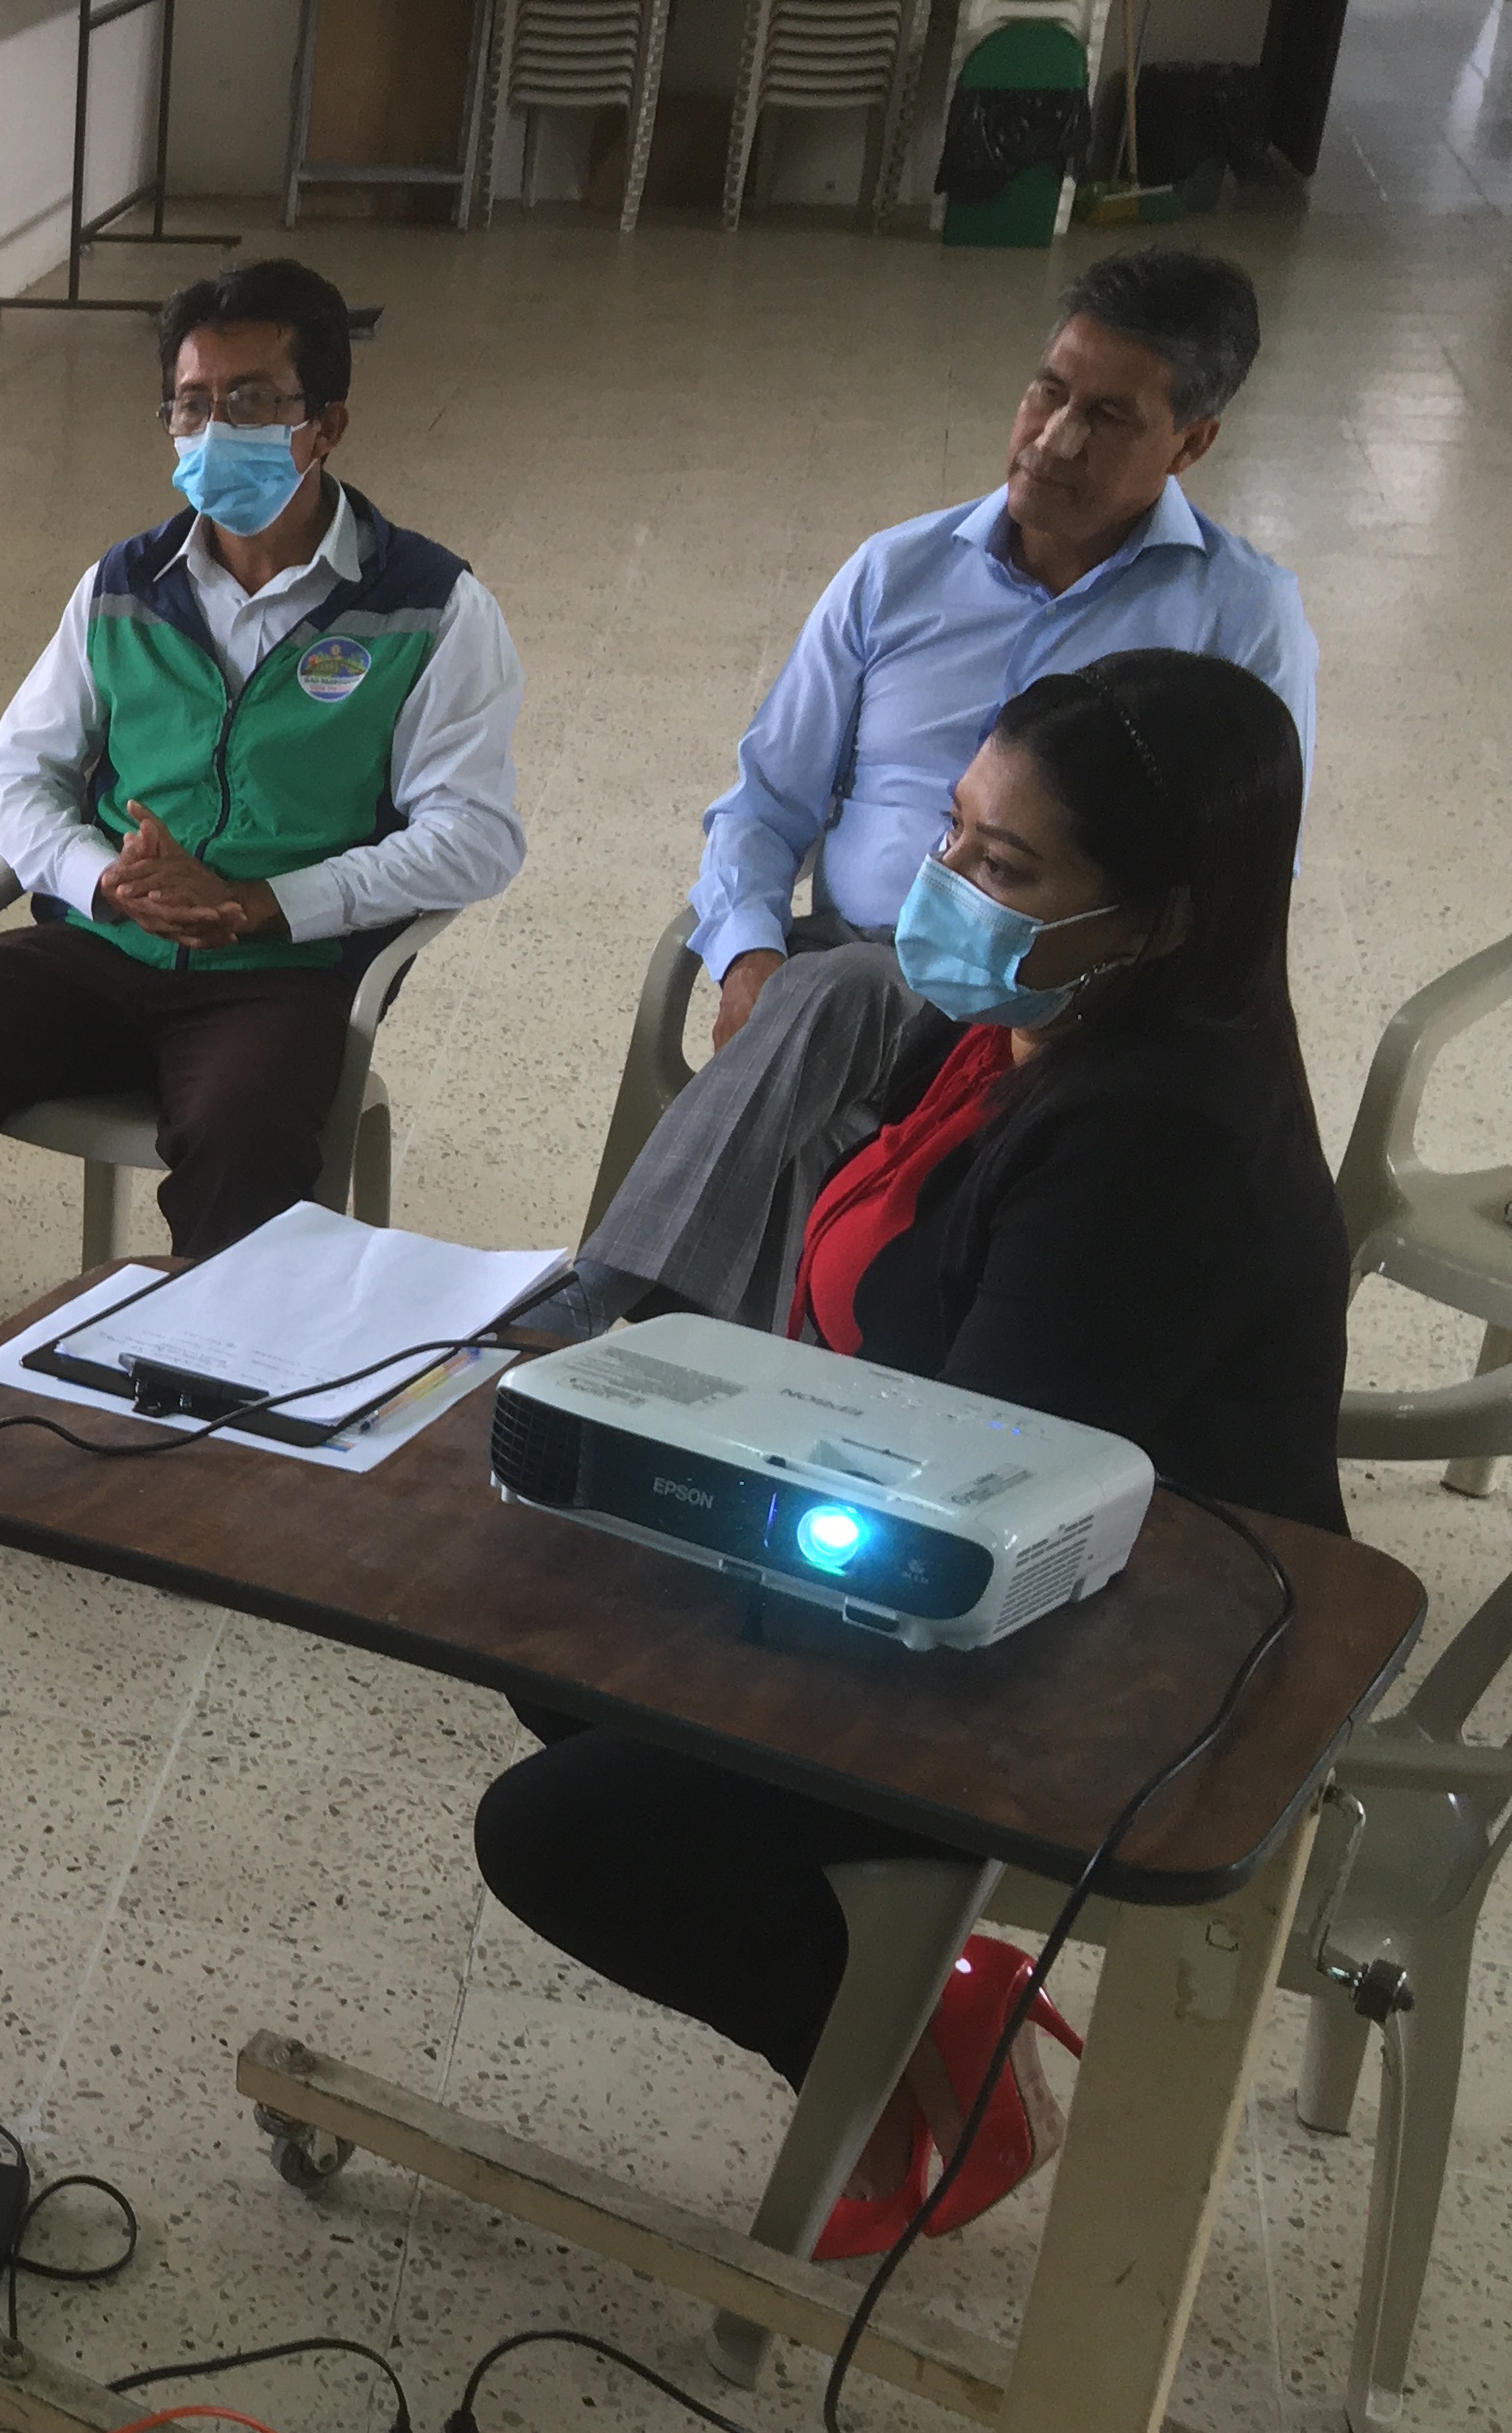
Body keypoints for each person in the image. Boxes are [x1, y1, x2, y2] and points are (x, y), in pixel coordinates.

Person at [477, 649, 1343, 2256]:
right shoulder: (1008, 1022)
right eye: (951, 829)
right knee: (558, 1622)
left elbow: (973, 1497)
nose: (941, 884)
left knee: (559, 1833)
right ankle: (913, 1990)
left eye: (1003, 866)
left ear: (1156, 919)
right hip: (935, 1535)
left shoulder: (1154, 1139)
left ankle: (903, 2056)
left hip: (1109, 1654)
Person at [0, 258, 526, 1477]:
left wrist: (264, 903)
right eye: (192, 404)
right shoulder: (122, 585)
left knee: (244, 1139)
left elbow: (475, 836)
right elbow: (14, 779)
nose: (213, 429)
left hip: (278, 973)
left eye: (252, 401)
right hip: (101, 944)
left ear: (325, 425)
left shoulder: (430, 608)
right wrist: (101, 880)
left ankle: (196, 1441)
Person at [564, 245, 1316, 1338]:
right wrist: (748, 955)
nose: (1053, 440)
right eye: (1049, 392)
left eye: (1108, 418)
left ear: (1190, 443)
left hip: (1062, 1003)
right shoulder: (897, 572)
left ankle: (602, 1319)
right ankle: (708, 1369)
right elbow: (766, 802)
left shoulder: (1237, 617)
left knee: (829, 1057)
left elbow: (1241, 882)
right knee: (830, 1024)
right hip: (853, 963)